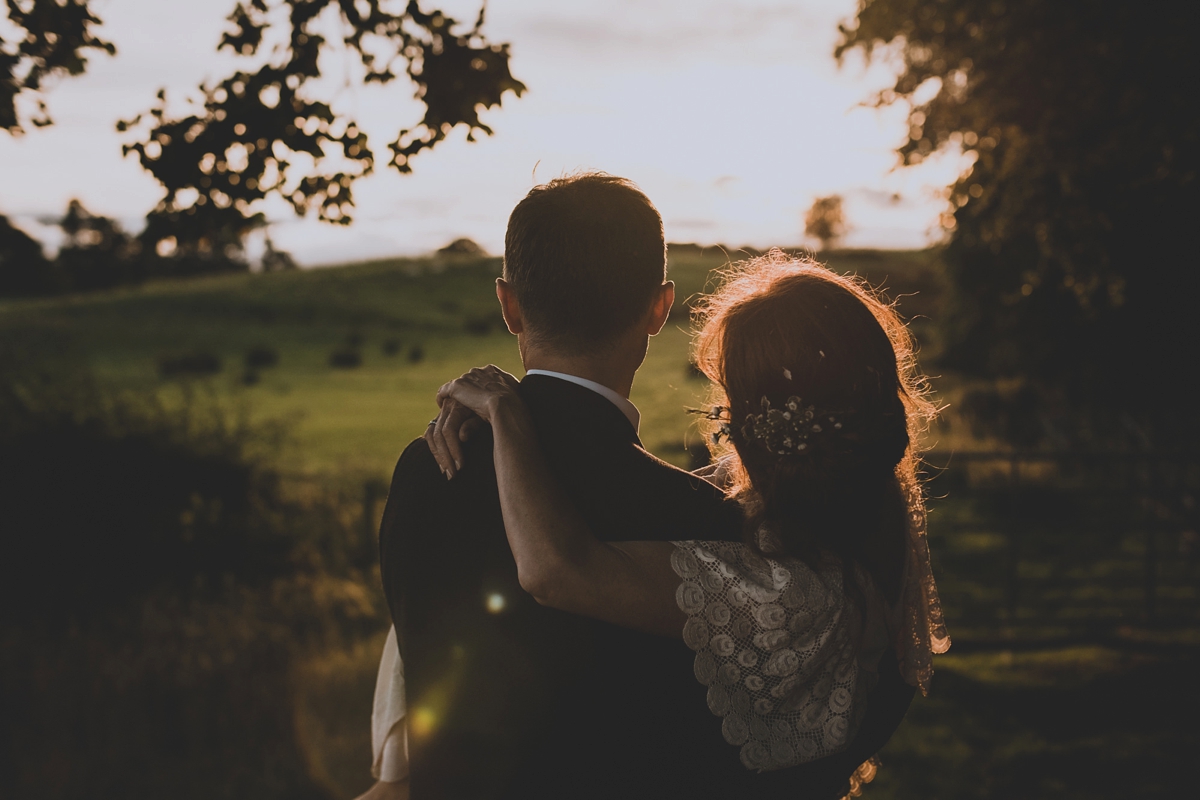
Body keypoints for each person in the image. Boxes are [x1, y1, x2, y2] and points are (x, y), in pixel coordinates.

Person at [361, 175, 945, 799]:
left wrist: (506, 411)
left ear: (510, 306)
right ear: (659, 309)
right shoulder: (713, 530)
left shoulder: (425, 469)